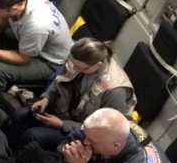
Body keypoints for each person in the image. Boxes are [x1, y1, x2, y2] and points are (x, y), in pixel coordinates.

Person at [8, 38, 136, 151]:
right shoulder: (79, 61)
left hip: (86, 134)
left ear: (97, 65)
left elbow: (105, 133)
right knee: (20, 116)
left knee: (33, 136)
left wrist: (62, 125)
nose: (73, 68)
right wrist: (46, 98)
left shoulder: (115, 91)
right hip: (68, 113)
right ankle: (5, 151)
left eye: (78, 67)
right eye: (71, 63)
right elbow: (62, 78)